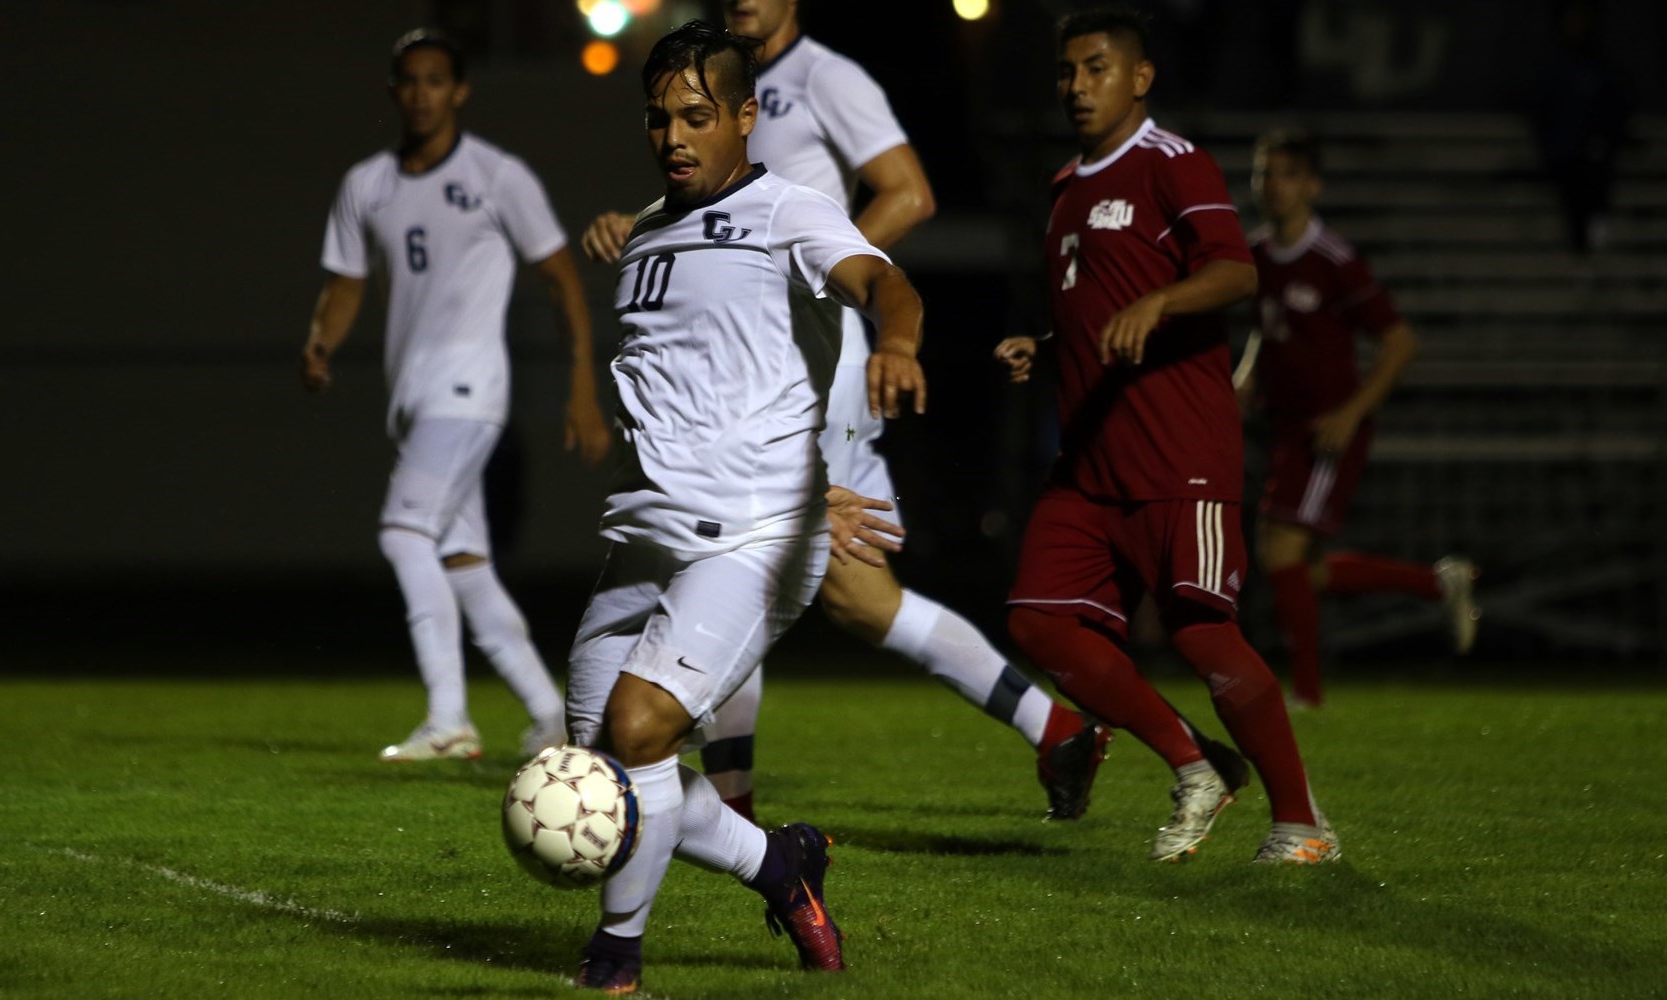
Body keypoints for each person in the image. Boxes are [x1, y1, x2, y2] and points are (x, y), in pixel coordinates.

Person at [582, 0, 1111, 826]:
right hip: (751, 363)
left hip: (804, 372)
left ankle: (730, 811)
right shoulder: (711, 85)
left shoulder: (828, 77)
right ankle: (1055, 727)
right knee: (859, 599)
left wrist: (809, 266)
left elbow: (910, 191)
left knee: (722, 555)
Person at [562, 21, 926, 992]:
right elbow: (708, 381)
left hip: (753, 540)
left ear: (743, 116)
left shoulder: (787, 212)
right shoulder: (647, 228)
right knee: (601, 766)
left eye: (695, 115)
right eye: (658, 118)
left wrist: (896, 341)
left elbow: (882, 280)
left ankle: (614, 963)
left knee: (637, 731)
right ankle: (779, 863)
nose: (673, 136)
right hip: (646, 540)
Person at [994, 8, 1338, 865]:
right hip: (1089, 460)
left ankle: (1302, 825)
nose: (1078, 86)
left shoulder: (1173, 164)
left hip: (1178, 452)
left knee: (1200, 631)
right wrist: (1043, 346)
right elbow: (1094, 305)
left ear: (1140, 78)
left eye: (1098, 68)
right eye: (1069, 72)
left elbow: (1232, 268)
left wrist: (1161, 302)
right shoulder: (1065, 184)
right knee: (1038, 622)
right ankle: (1195, 761)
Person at [301, 30, 611, 763]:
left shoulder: (497, 176)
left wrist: (582, 386)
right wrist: (319, 342)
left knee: (402, 533)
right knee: (463, 563)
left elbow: (563, 278)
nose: (421, 93)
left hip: (469, 389)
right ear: (393, 91)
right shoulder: (366, 184)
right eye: (408, 81)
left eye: (436, 80)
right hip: (414, 399)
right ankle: (547, 712)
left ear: (459, 91)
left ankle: (448, 718)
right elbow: (346, 282)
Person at [1236, 129, 1478, 707]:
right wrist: (1245, 375)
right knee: (1301, 569)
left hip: (1327, 430)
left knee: (1282, 553)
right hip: (1285, 425)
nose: (1273, 185)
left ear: (1314, 185)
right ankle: (1438, 584)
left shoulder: (1334, 260)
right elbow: (1264, 327)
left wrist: (1349, 414)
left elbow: (1399, 343)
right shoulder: (1257, 255)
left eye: (1288, 174)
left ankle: (1308, 694)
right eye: (1264, 172)